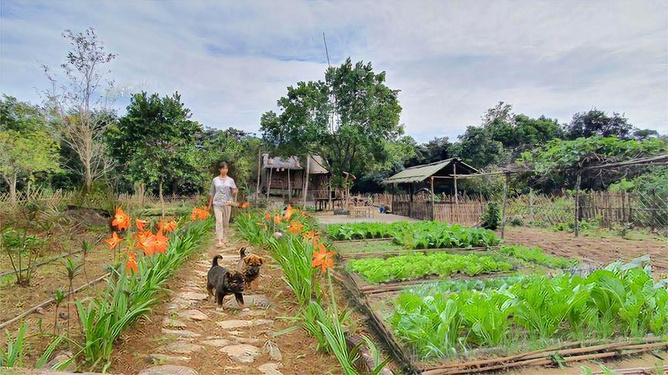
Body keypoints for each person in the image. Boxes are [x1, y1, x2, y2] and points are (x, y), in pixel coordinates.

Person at [208, 162, 238, 247]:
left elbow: (234, 190)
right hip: (217, 203)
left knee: (225, 222)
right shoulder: (215, 180)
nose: (225, 170)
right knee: (219, 221)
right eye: (223, 168)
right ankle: (219, 240)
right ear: (219, 170)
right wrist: (210, 205)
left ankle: (224, 237)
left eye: (226, 169)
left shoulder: (230, 180)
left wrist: (235, 191)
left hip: (227, 204)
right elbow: (212, 192)